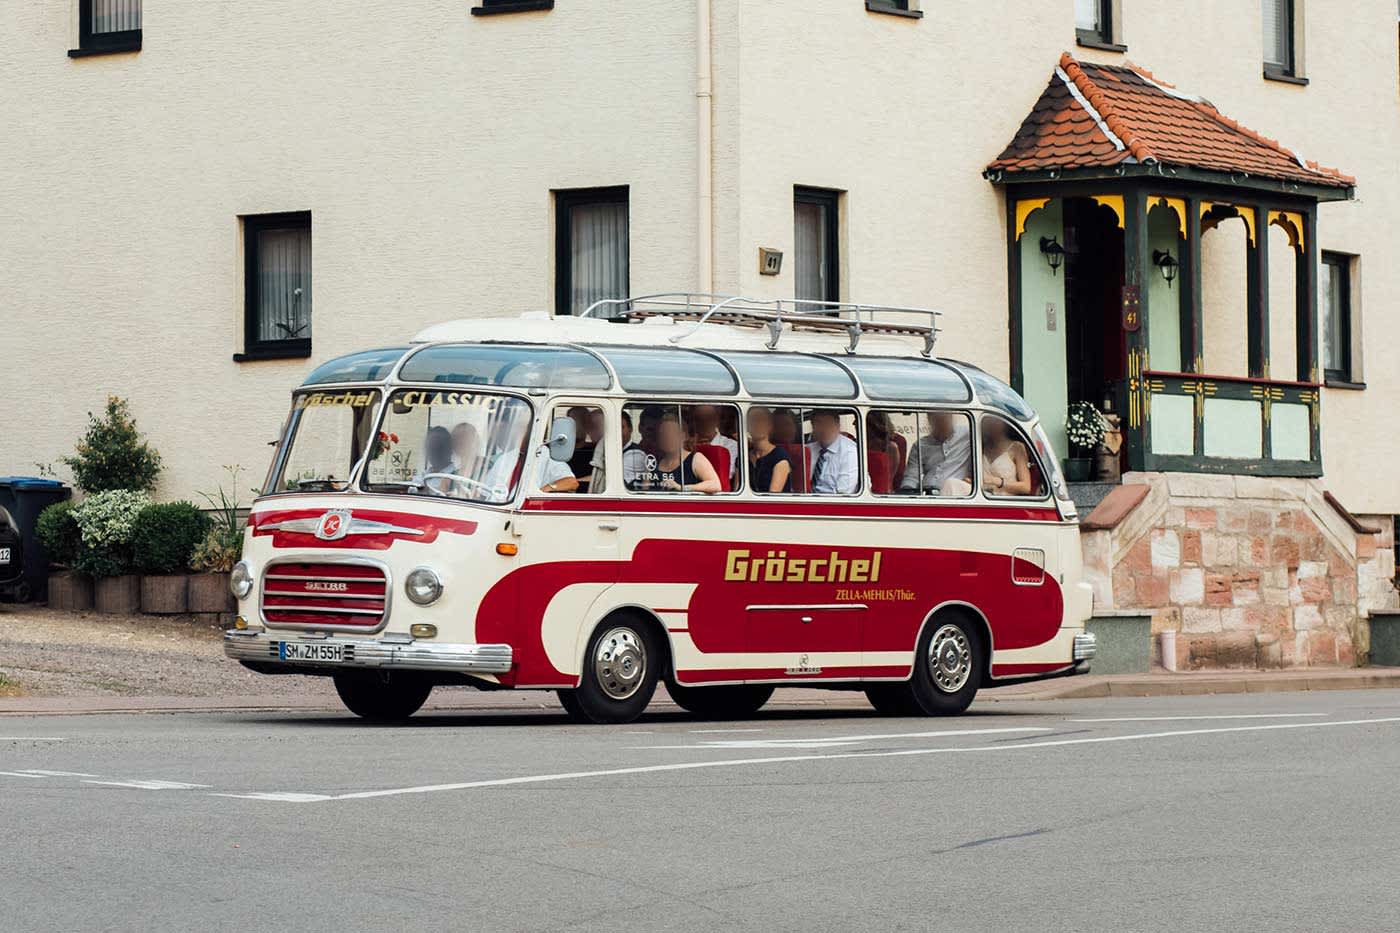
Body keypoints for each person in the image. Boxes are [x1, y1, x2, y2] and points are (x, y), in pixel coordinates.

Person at [633, 412, 721, 493]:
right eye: (663, 434)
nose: (668, 438)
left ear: (683, 436)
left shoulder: (695, 459)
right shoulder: (653, 462)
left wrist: (682, 488)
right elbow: (645, 492)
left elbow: (715, 485)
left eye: (673, 433)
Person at [900, 412, 973, 496]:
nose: (942, 423)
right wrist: (907, 491)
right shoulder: (920, 445)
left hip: (955, 495)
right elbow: (912, 476)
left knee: (951, 484)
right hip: (927, 495)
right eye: (937, 419)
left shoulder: (968, 435)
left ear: (951, 416)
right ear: (930, 420)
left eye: (944, 418)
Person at [805, 409, 858, 495]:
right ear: (813, 427)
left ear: (838, 426)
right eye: (818, 424)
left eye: (828, 424)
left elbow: (843, 494)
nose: (823, 429)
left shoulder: (850, 451)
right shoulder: (807, 450)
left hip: (835, 504)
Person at [980, 416, 1034, 496]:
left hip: (1007, 503)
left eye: (994, 420)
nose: (989, 424)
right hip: (985, 501)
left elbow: (1026, 487)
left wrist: (995, 481)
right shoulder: (981, 446)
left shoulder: (1017, 447)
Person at [747, 406, 792, 494]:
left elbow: (773, 496)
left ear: (770, 426)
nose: (757, 424)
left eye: (761, 420)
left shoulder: (780, 457)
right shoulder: (743, 456)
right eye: (752, 420)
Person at [689, 404, 739, 482]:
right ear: (693, 422)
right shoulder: (688, 446)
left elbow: (727, 474)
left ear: (717, 419)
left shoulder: (731, 445)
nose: (704, 422)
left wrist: (708, 450)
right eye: (699, 419)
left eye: (709, 417)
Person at [620, 410, 648, 486]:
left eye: (621, 427)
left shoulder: (636, 454)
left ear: (630, 429)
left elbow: (613, 479)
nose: (617, 431)